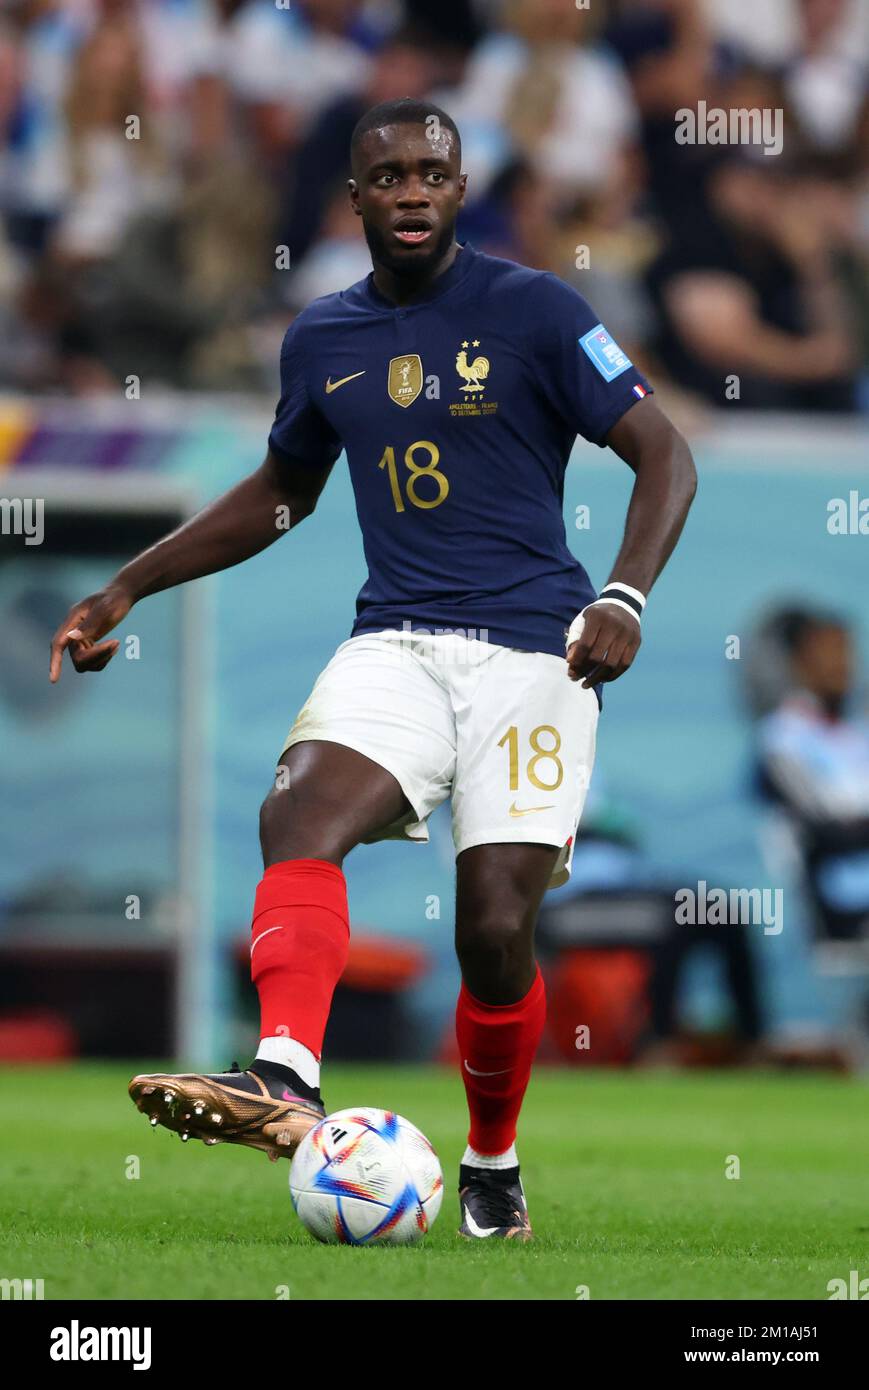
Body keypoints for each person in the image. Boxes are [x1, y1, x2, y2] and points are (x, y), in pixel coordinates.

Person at [49, 99, 697, 1241]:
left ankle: (490, 1159)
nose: (409, 192)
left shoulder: (535, 309)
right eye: (386, 176)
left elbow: (663, 452)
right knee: (295, 811)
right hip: (394, 638)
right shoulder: (322, 339)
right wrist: (125, 585)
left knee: (493, 930)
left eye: (430, 174)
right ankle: (284, 1076)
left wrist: (621, 594)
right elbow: (281, 492)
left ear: (459, 190)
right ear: (351, 198)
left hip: (533, 651)